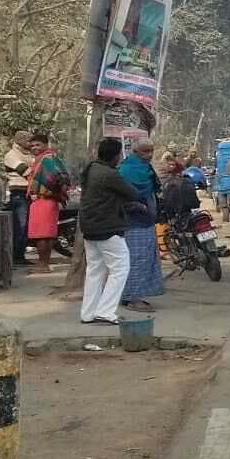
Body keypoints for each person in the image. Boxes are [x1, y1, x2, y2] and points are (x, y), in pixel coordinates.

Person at [78, 139, 138, 325]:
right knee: (120, 268)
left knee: (95, 270)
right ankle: (106, 311)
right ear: (115, 155)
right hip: (107, 227)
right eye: (120, 154)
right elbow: (132, 193)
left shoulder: (91, 169)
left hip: (89, 227)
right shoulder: (109, 174)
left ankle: (88, 313)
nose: (121, 157)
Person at [118, 140, 165, 312]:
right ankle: (133, 298)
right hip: (133, 223)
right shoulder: (127, 170)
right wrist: (140, 207)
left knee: (144, 258)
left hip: (146, 221)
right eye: (146, 151)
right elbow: (122, 198)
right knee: (137, 260)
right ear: (136, 151)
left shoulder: (146, 169)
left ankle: (128, 295)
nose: (150, 154)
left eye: (151, 150)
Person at [25, 132, 70, 274]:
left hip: (44, 200)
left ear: (45, 145)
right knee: (46, 234)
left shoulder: (47, 159)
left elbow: (61, 178)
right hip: (45, 201)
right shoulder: (44, 159)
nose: (34, 148)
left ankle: (43, 264)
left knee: (42, 234)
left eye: (38, 145)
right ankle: (43, 263)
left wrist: (50, 191)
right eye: (32, 145)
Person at [2, 130, 35, 265]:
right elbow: (26, 171)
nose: (31, 144)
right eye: (28, 141)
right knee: (20, 225)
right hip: (18, 194)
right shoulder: (11, 155)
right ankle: (16, 257)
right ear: (20, 141)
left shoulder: (27, 155)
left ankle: (20, 255)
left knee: (26, 225)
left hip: (27, 193)